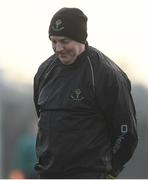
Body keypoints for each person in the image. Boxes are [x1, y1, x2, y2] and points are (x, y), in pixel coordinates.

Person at [33, 7, 138, 179]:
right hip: (47, 174)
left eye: (64, 41)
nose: (58, 48)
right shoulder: (44, 72)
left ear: (80, 38)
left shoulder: (106, 74)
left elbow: (126, 132)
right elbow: (41, 118)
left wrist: (110, 171)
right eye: (53, 41)